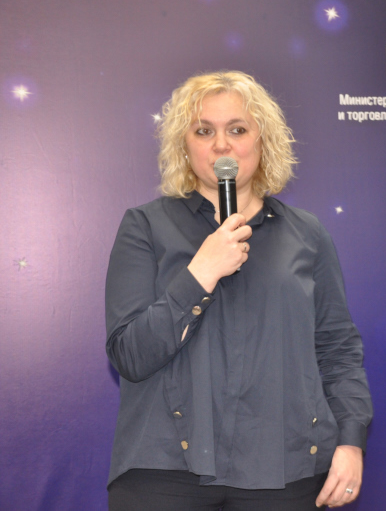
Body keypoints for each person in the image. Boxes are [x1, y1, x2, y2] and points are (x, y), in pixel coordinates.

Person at [105, 71, 372, 510]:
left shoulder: (307, 234)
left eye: (237, 129)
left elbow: (337, 348)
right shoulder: (145, 226)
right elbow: (129, 355)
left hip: (284, 470)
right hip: (164, 469)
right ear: (183, 145)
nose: (221, 145)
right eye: (203, 131)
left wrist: (350, 440)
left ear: (263, 142)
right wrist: (200, 273)